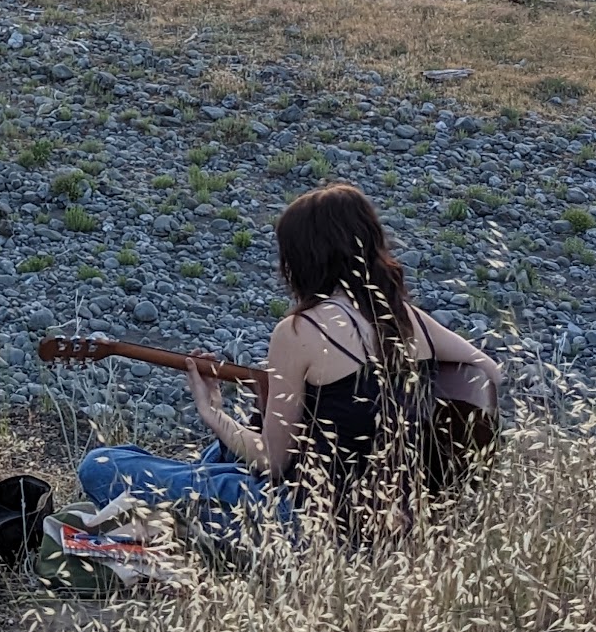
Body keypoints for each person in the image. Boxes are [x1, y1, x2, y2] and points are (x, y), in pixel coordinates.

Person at [78, 183, 501, 542]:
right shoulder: (405, 316)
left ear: (301, 258)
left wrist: (213, 412)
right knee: (227, 446)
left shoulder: (299, 332)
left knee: (101, 465)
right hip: (395, 517)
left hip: (307, 523)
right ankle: (190, 494)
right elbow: (487, 373)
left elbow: (275, 462)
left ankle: (178, 509)